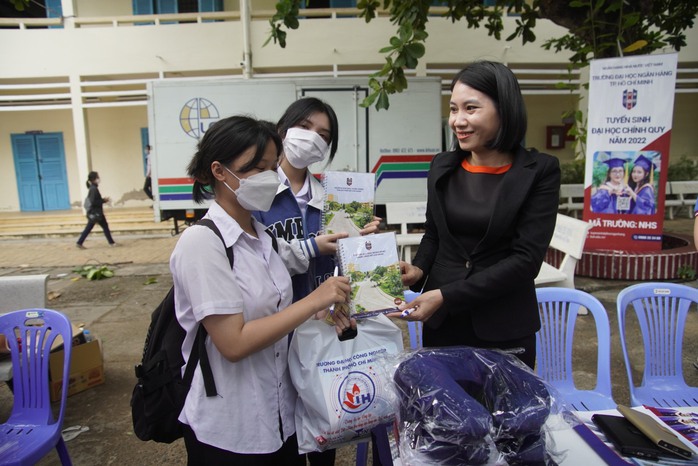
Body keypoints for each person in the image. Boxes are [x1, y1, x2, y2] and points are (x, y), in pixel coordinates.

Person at [171, 115, 355, 465]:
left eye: (273, 166)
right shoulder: (202, 244)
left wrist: (319, 312)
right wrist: (313, 300)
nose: (271, 178)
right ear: (220, 172)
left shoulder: (261, 235)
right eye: (256, 168)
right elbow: (234, 343)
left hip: (279, 417)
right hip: (230, 429)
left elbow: (274, 313)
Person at [388, 61, 561, 370]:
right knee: (446, 415)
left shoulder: (539, 171)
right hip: (444, 324)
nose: (458, 121)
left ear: (504, 109)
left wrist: (446, 295)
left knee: (507, 417)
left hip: (504, 324)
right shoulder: (443, 166)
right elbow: (435, 234)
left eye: (471, 108)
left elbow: (525, 261)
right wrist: (418, 271)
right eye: (453, 109)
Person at [252, 97, 380, 466]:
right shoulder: (256, 193)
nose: (313, 139)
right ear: (283, 129)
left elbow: (347, 267)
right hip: (273, 336)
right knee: (284, 438)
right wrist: (311, 247)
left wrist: (363, 244)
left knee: (324, 433)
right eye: (305, 127)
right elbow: (252, 263)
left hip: (323, 336)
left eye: (323, 135)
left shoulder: (334, 198)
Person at [76, 171, 117, 249]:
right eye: (97, 177)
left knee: (90, 228)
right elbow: (94, 201)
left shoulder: (93, 188)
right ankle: (111, 242)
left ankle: (79, 242)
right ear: (94, 179)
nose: (99, 179)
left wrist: (102, 200)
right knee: (103, 226)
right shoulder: (93, 189)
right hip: (96, 212)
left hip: (95, 212)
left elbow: (94, 200)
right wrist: (103, 201)